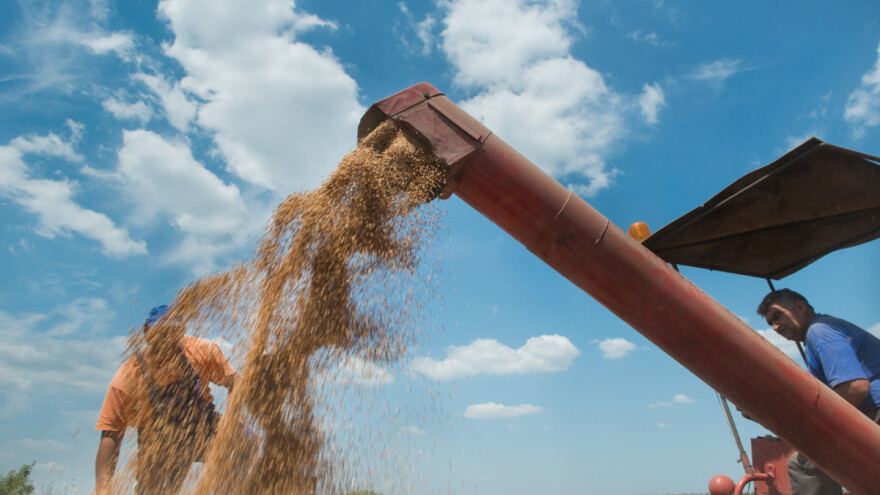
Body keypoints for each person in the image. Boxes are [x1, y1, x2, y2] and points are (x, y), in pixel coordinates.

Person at [94, 305, 238, 494]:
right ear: (147, 334)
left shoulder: (202, 351)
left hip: (202, 426)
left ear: (181, 333)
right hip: (160, 444)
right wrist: (103, 489)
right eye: (160, 334)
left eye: (173, 333)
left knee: (245, 441)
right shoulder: (128, 376)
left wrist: (230, 418)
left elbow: (236, 383)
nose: (166, 341)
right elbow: (111, 434)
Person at [757, 289, 880, 495]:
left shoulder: (819, 332)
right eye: (770, 324)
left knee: (803, 464)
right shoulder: (824, 329)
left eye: (777, 316)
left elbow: (855, 387)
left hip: (874, 410)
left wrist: (818, 426)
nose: (775, 327)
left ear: (800, 307)